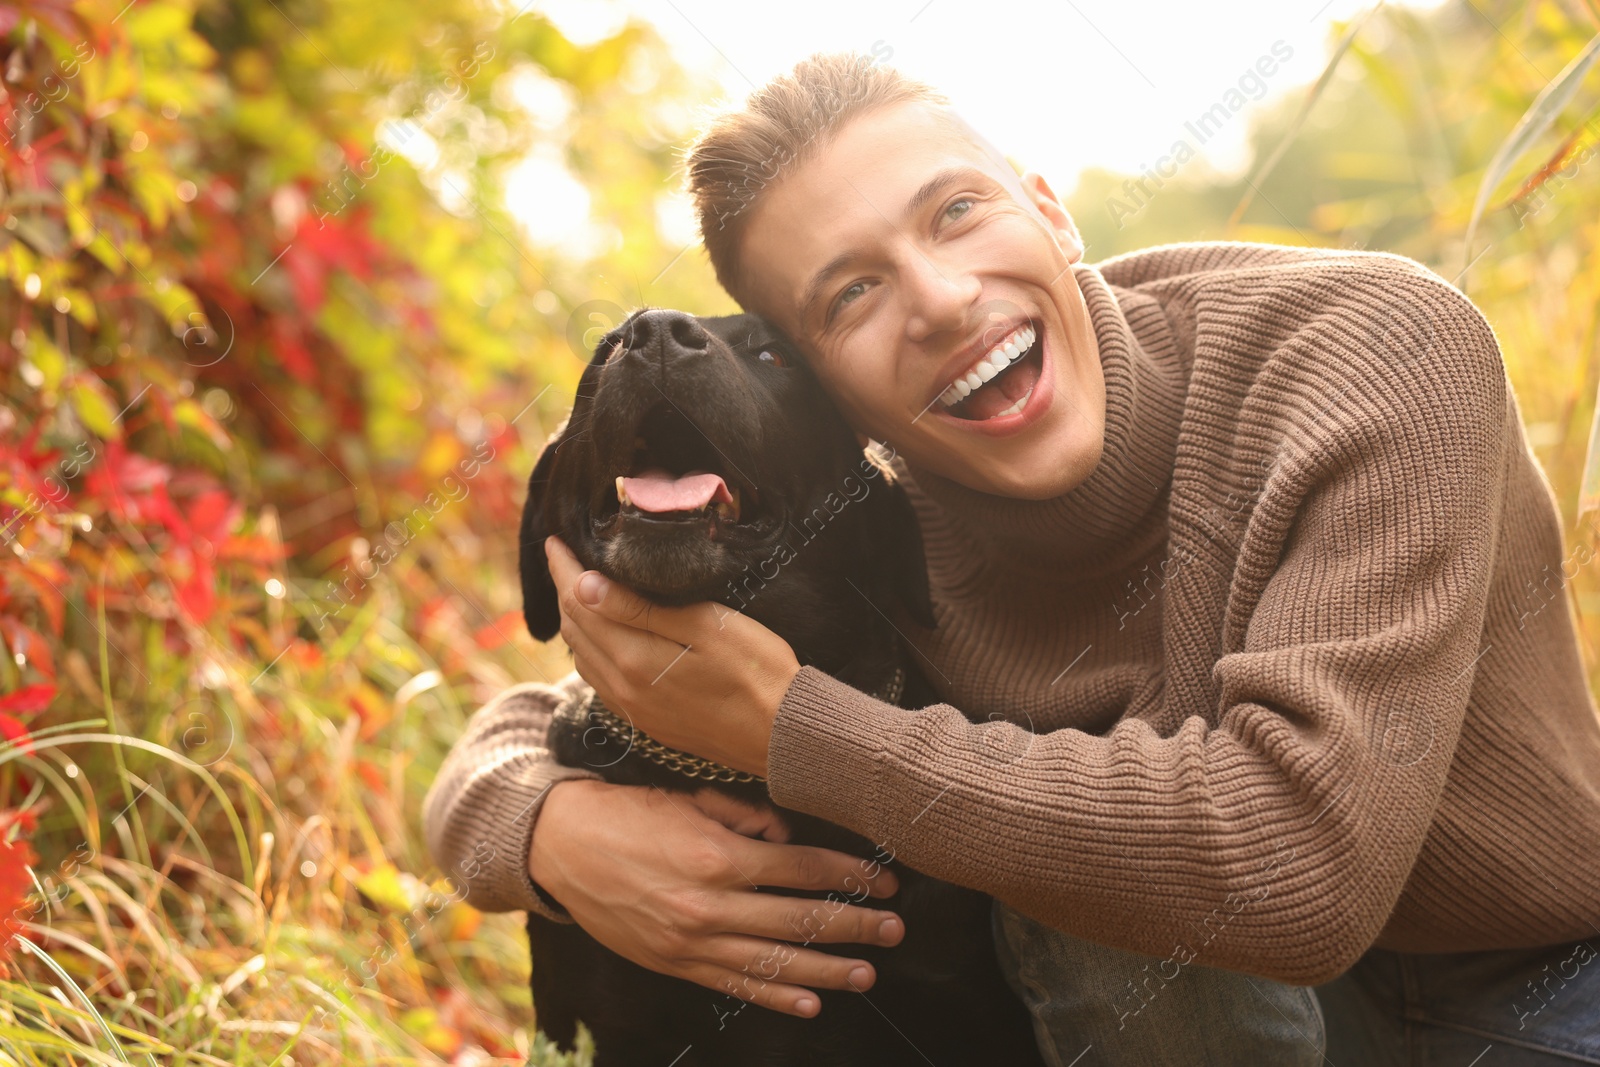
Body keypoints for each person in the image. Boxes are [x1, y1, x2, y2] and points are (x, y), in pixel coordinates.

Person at [423, 53, 1600, 1064]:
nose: (940, 299)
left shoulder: (1372, 352)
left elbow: (1293, 864)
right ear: (829, 391)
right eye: (852, 293)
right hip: (1210, 1020)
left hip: (1537, 984)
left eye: (955, 213)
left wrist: (798, 726)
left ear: (1050, 206)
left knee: (1091, 831)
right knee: (1076, 855)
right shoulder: (876, 520)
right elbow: (566, 706)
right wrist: (540, 826)